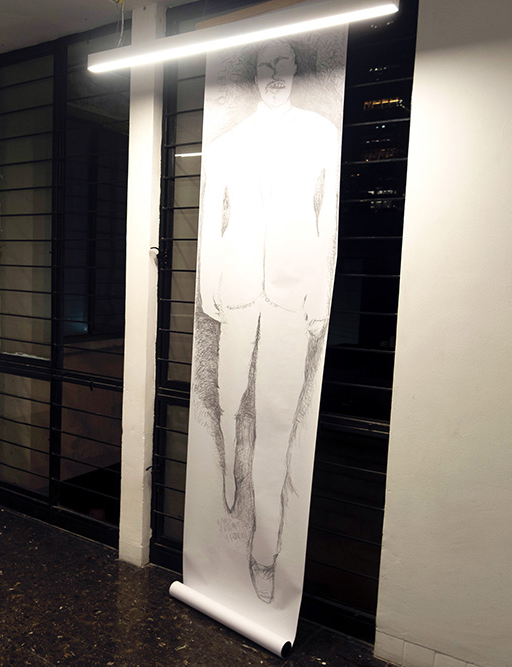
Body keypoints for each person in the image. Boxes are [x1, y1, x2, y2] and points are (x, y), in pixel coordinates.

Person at [196, 39, 340, 603]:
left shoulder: (320, 134)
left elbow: (327, 219)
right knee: (230, 400)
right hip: (235, 290)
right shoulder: (228, 144)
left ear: (296, 69)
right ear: (255, 75)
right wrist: (208, 284)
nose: (275, 75)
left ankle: (265, 551)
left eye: (283, 65)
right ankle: (232, 478)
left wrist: (320, 295)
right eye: (265, 67)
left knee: (277, 419)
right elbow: (212, 220)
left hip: (290, 295)